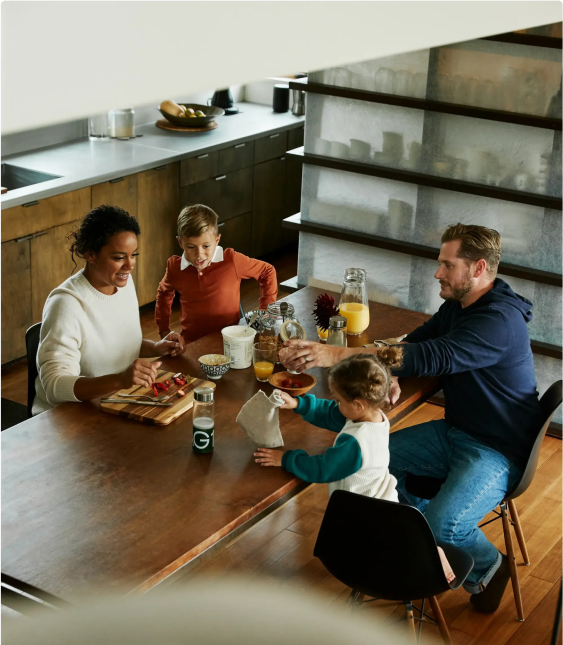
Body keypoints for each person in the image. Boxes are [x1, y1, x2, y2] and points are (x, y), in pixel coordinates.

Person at [279, 223, 544, 611]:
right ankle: (421, 543)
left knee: (444, 524)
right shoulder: (460, 306)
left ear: (478, 268)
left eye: (446, 264)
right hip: (457, 431)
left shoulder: (498, 321)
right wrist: (391, 371)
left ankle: (488, 566)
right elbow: (418, 343)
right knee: (378, 465)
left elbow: (433, 357)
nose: (437, 273)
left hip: (497, 449)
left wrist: (334, 354)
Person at [255, 350, 455, 583]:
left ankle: (429, 555)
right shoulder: (373, 416)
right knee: (400, 536)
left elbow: (323, 468)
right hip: (384, 500)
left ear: (358, 404)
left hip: (367, 512)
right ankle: (427, 549)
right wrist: (298, 403)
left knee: (389, 549)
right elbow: (333, 414)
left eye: (339, 400)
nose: (336, 404)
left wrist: (286, 459)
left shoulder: (355, 443)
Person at [33, 205, 185, 415]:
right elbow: (55, 387)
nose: (130, 265)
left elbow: (114, 345)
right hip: (66, 421)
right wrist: (120, 380)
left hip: (112, 403)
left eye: (133, 255)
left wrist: (156, 348)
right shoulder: (66, 304)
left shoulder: (122, 283)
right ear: (91, 255)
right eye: (119, 257)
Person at [155, 204, 278, 344]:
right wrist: (164, 330)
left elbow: (267, 271)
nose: (199, 254)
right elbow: (163, 294)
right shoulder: (174, 267)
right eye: (191, 247)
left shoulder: (231, 260)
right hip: (192, 343)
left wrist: (265, 310)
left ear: (217, 240)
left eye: (206, 246)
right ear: (180, 243)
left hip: (232, 340)